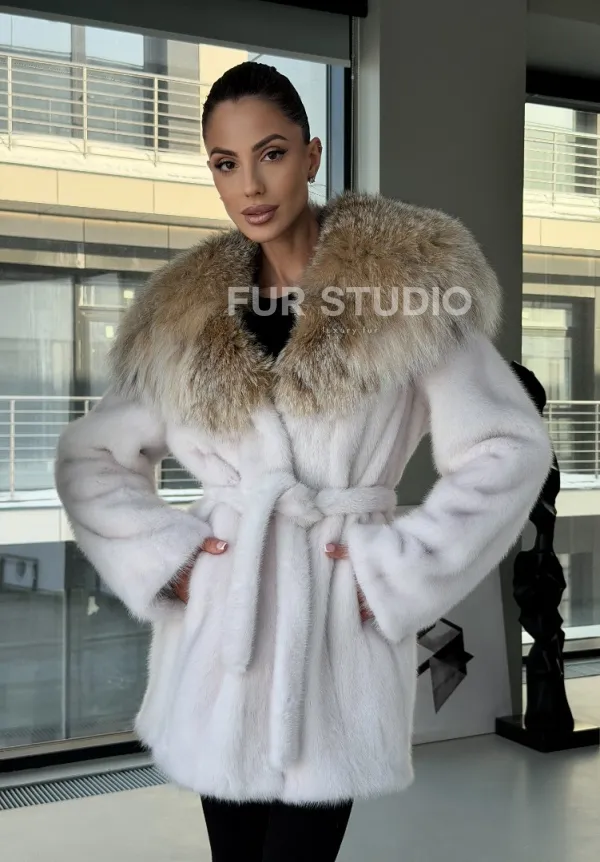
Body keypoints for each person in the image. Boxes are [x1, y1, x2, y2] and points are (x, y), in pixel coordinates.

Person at [55, 61, 553, 861]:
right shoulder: (183, 314)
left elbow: (508, 445)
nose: (250, 184)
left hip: (336, 637)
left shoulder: (408, 286)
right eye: (226, 163)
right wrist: (168, 559)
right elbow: (93, 458)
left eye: (272, 153)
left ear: (312, 155)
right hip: (222, 653)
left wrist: (399, 571)